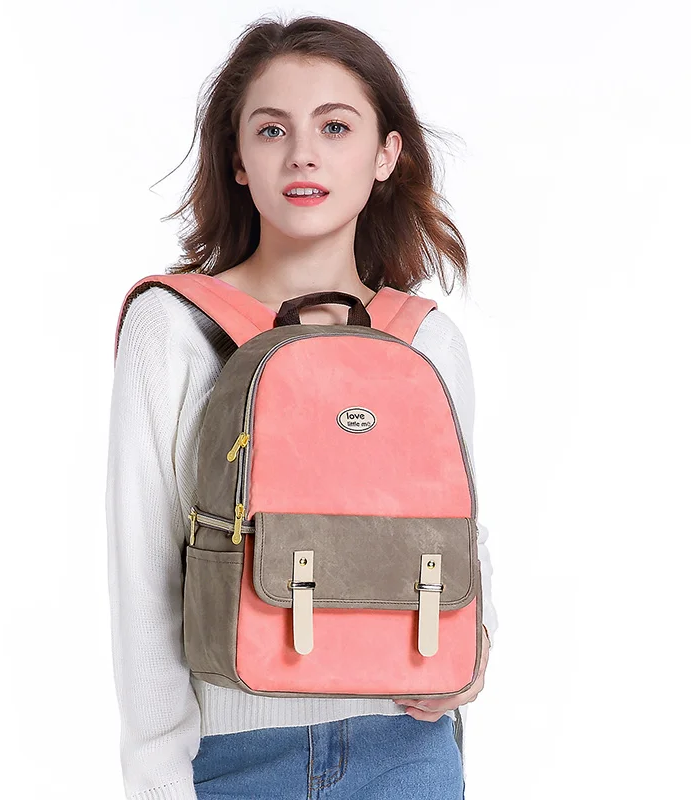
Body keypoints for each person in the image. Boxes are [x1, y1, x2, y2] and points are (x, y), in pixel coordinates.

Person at [105, 13, 498, 800]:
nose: (303, 154)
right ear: (238, 159)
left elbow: (464, 534)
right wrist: (158, 776)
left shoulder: (427, 339)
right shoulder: (173, 325)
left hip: (408, 749)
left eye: (335, 126)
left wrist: (475, 654)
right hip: (230, 760)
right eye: (272, 129)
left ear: (386, 154)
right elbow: (142, 567)